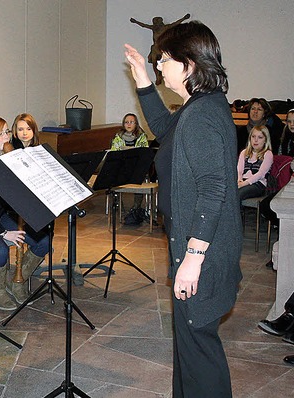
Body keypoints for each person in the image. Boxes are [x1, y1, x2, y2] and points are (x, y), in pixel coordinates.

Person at [125, 20, 242, 397]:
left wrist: (193, 258)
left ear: (189, 65)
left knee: (200, 354)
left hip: (203, 253)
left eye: (164, 59)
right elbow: (164, 127)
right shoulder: (200, 107)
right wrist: (142, 80)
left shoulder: (202, 114)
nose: (159, 65)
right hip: (202, 248)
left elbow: (213, 189)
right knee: (191, 349)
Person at [0, 116, 50, 309]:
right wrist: (4, 233)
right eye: (2, 133)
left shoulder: (7, 159)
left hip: (2, 216)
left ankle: (17, 280)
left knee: (44, 241)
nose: (8, 136)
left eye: (7, 132)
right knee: (1, 249)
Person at [111, 113, 150, 218]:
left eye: (131, 122)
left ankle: (136, 208)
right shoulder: (118, 137)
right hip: (122, 166)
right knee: (113, 175)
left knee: (140, 177)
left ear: (136, 124)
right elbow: (113, 153)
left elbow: (145, 153)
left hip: (136, 166)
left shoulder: (142, 137)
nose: (128, 124)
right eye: (126, 122)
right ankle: (118, 205)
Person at [237, 125, 273, 201]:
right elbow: (239, 170)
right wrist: (239, 180)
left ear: (265, 140)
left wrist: (244, 184)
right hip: (243, 181)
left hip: (258, 184)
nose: (255, 140)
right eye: (253, 136)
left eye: (260, 137)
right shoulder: (244, 152)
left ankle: (236, 212)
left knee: (238, 194)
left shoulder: (267, 154)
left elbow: (261, 174)